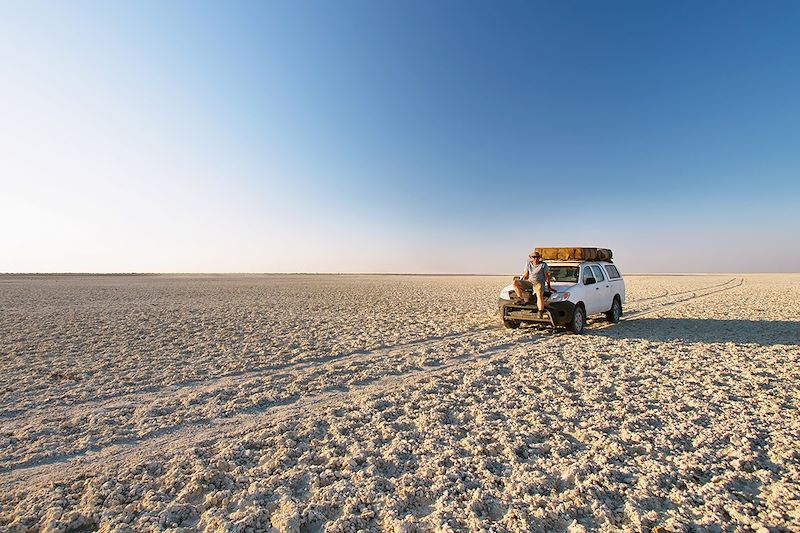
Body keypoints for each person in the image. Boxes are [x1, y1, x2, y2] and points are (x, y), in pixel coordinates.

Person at [513, 251, 553, 318]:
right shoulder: (528, 264)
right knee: (514, 282)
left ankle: (540, 311)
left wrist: (549, 287)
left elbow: (547, 277)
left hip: (538, 283)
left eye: (537, 257)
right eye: (533, 257)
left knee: (539, 295)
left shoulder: (543, 265)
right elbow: (526, 275)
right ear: (531, 258)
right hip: (530, 282)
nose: (535, 258)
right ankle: (520, 298)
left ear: (539, 258)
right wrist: (522, 281)